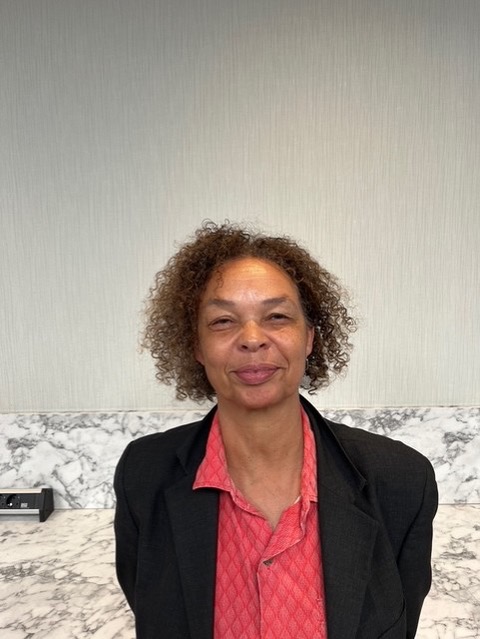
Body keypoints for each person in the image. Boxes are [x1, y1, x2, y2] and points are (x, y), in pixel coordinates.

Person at [114, 222, 438, 639]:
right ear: (196, 346)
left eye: (277, 317)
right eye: (223, 321)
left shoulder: (401, 481)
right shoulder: (143, 474)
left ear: (309, 339)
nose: (252, 339)